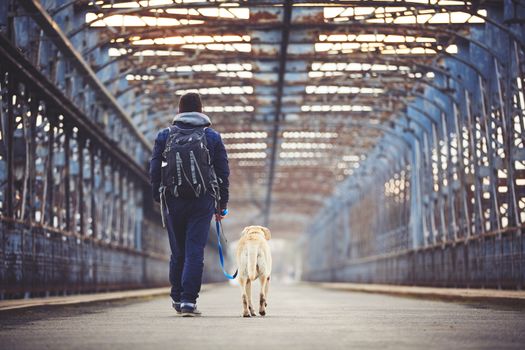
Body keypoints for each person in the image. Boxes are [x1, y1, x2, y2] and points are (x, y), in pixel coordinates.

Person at [149, 92, 229, 317]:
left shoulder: (164, 135)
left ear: (179, 111)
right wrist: (221, 204)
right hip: (202, 201)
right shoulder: (212, 137)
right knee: (195, 251)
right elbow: (223, 172)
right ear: (201, 111)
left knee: (178, 252)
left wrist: (159, 196)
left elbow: (155, 169)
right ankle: (188, 302)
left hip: (173, 200)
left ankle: (176, 296)